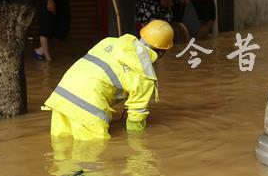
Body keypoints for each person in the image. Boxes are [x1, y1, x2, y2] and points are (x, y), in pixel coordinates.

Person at [43, 20, 174, 140]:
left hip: (61, 95)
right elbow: (136, 117)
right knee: (93, 155)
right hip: (88, 107)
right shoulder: (145, 75)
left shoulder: (110, 42)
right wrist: (137, 143)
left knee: (61, 148)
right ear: (162, 51)